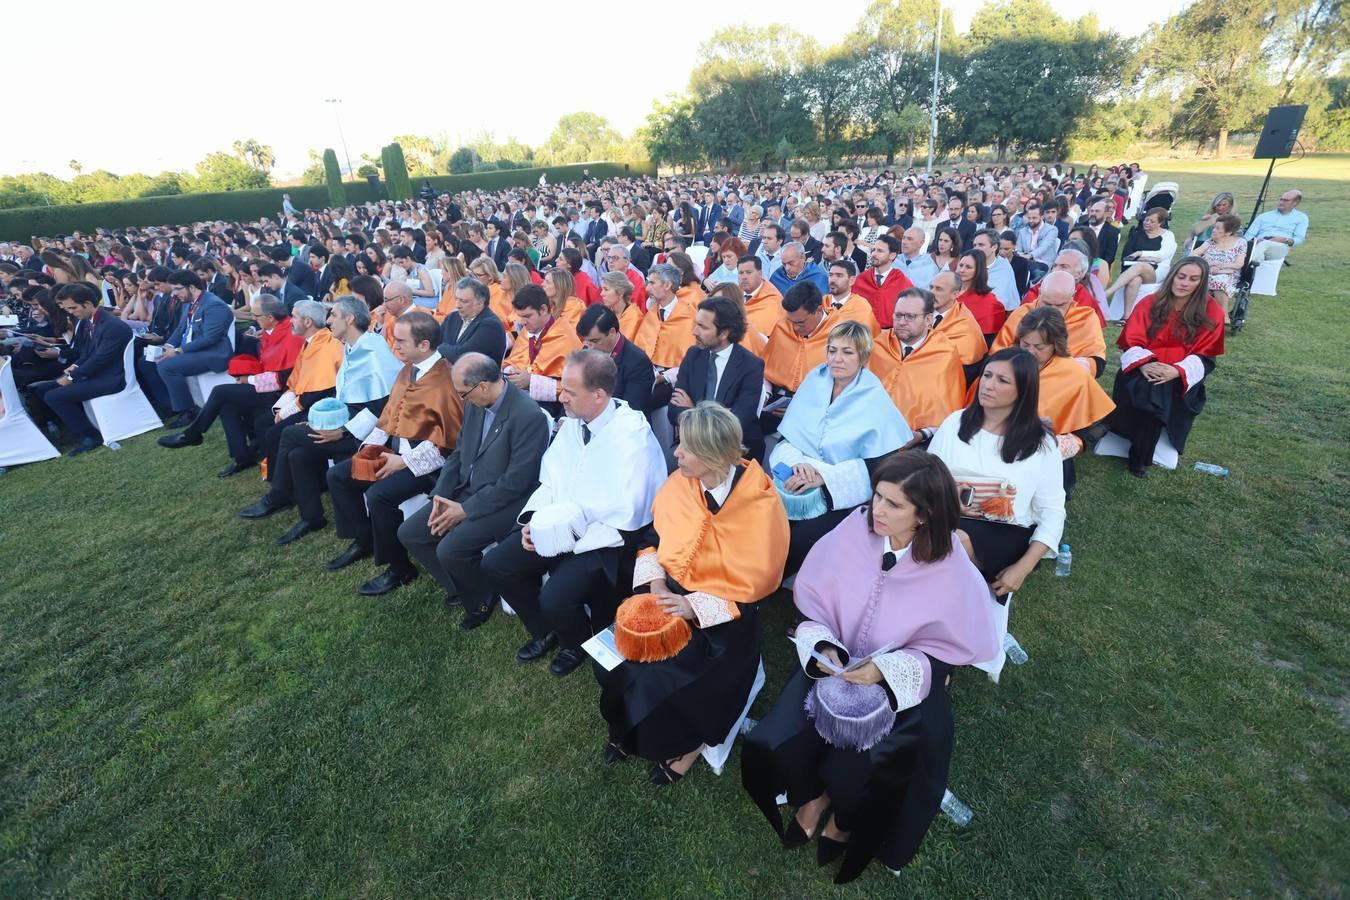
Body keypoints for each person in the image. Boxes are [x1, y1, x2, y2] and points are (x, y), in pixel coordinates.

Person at [741, 451, 998, 885]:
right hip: (835, 663)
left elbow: (945, 648)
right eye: (877, 496)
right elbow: (815, 600)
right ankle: (813, 797)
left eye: (894, 505)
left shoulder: (951, 563)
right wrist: (826, 646)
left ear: (926, 513)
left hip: (901, 679)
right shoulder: (855, 527)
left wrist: (884, 671)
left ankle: (841, 812)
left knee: (871, 764)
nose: (876, 511)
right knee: (778, 734)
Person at [602, 401, 788, 784]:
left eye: (685, 448)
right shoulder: (679, 484)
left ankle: (688, 746)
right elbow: (652, 537)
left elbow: (757, 584)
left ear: (713, 456)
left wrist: (692, 606)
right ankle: (628, 728)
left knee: (670, 678)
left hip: (723, 613)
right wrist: (655, 585)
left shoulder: (761, 505)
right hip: (665, 591)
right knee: (618, 655)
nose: (676, 453)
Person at [482, 350, 666, 677]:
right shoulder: (576, 422)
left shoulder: (632, 438)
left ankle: (576, 642)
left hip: (604, 541)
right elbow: (551, 478)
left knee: (555, 596)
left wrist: (565, 538)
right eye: (562, 388)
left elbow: (626, 515)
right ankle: (546, 629)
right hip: (557, 523)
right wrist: (535, 521)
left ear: (599, 395)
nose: (560, 397)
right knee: (497, 564)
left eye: (569, 391)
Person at [396, 353, 551, 627]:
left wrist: (465, 510)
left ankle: (481, 597)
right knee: (411, 533)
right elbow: (459, 453)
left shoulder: (528, 415)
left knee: (450, 550)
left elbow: (517, 482)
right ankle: (466, 585)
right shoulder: (475, 403)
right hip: (465, 490)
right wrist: (441, 495)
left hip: (505, 503)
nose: (460, 398)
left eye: (462, 392)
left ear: (482, 386)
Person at [239, 297, 403, 544]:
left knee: (289, 434)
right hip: (350, 423)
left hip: (368, 434)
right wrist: (325, 423)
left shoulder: (372, 350)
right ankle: (312, 516)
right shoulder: (352, 345)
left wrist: (343, 432)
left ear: (349, 319)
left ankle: (279, 494)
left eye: (333, 315)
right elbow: (347, 396)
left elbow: (382, 405)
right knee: (298, 455)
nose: (327, 321)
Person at [325, 311, 465, 596]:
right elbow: (389, 416)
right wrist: (369, 449)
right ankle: (365, 540)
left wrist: (403, 462)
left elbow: (448, 443)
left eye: (401, 341)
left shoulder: (444, 380)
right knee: (339, 474)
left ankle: (400, 569)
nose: (394, 346)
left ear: (424, 345)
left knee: (380, 496)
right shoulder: (408, 368)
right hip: (396, 451)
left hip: (430, 465)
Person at [770, 321, 910, 574]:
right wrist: (798, 465)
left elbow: (878, 468)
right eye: (832, 350)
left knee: (803, 536)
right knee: (763, 520)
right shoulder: (815, 380)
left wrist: (824, 477)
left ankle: (769, 582)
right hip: (797, 475)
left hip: (840, 494)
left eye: (847, 352)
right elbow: (788, 438)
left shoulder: (874, 396)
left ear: (863, 357)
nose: (837, 359)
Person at [928, 348, 1065, 598]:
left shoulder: (1041, 444)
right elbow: (927, 478)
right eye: (987, 375)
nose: (988, 385)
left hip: (1006, 531)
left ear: (1023, 390)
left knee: (955, 540)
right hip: (947, 516)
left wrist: (1023, 567)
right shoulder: (955, 423)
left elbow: (1053, 511)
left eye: (1002, 380)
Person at [156, 295, 305, 468]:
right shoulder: (271, 330)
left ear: (270, 317)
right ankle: (242, 457)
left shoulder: (291, 336)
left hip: (282, 392)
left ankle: (193, 433)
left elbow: (287, 377)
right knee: (226, 404)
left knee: (221, 392)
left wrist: (249, 379)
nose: (254, 319)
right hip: (266, 384)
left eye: (256, 316)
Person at [1108, 257, 1224, 478]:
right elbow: (1132, 341)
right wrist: (1145, 365)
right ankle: (1141, 456)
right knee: (1151, 388)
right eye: (1181, 277)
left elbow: (1206, 355)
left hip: (1181, 376)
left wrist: (1176, 371)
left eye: (1193, 279)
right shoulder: (1150, 303)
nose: (1185, 283)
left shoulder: (1211, 311)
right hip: (1143, 368)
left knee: (1157, 391)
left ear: (1201, 282)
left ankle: (1132, 448)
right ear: (1172, 277)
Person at [1012, 307, 1115, 493]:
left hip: (1046, 457)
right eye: (1025, 344)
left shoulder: (1074, 375)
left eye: (1039, 347)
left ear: (1056, 345)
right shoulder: (1007, 363)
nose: (1030, 352)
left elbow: (1092, 427)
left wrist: (1064, 445)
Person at [28, 283, 134, 456]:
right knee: (41, 389)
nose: (69, 312)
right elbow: (86, 353)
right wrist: (75, 367)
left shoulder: (111, 326)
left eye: (73, 307)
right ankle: (76, 428)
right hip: (98, 373)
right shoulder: (88, 322)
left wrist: (72, 377)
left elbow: (101, 360)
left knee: (54, 396)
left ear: (88, 304)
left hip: (111, 378)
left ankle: (91, 436)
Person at [670, 296, 766, 460]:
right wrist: (719, 415)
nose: (694, 331)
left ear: (724, 333)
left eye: (702, 327)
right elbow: (673, 411)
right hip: (692, 445)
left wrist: (693, 409)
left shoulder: (751, 365)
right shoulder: (693, 355)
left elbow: (738, 423)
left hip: (733, 450)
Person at [868, 288, 966, 441]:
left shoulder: (944, 353)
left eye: (910, 317)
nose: (901, 322)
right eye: (898, 315)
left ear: (928, 320)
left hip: (917, 443)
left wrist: (922, 435)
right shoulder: (878, 345)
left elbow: (947, 409)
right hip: (869, 432)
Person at [150, 270, 234, 427]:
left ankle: (187, 410)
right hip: (194, 350)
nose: (174, 294)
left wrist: (177, 351)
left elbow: (210, 338)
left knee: (166, 366)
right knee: (148, 361)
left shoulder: (213, 304)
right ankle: (170, 405)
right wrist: (167, 346)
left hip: (213, 353)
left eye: (177, 289)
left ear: (192, 287)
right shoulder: (189, 303)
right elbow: (181, 328)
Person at [994, 271, 1107, 375]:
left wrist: (1084, 365)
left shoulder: (1086, 318)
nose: (1053, 310)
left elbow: (1097, 361)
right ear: (1039, 293)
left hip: (1065, 380)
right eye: (1047, 304)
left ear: (1073, 296)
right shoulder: (1022, 313)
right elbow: (998, 352)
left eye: (1060, 305)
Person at [502, 283, 583, 412]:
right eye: (520, 316)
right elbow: (513, 361)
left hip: (551, 409)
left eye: (528, 316)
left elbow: (576, 387)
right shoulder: (527, 330)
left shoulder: (566, 339)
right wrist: (512, 372)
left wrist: (531, 382)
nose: (523, 322)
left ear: (544, 309)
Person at [634, 263, 698, 399]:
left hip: (674, 380)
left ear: (667, 285)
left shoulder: (689, 316)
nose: (647, 288)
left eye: (652, 283)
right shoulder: (652, 313)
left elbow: (692, 361)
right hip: (647, 372)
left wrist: (665, 377)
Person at [762, 281, 833, 403]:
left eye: (800, 323)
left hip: (818, 405)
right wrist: (766, 394)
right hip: (776, 401)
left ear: (819, 310)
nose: (795, 328)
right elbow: (766, 370)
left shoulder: (839, 335)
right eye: (790, 321)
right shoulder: (782, 327)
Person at [577, 304, 655, 412]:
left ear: (612, 332)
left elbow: (632, 411)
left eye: (595, 341)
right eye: (586, 341)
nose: (589, 347)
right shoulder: (588, 348)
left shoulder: (637, 362)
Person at [1106, 208, 1177, 317]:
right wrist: (1149, 257)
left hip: (1157, 271)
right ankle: (1126, 316)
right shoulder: (1136, 234)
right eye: (1146, 220)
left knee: (1142, 265)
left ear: (1160, 223)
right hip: (1134, 269)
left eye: (1152, 222)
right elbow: (1127, 255)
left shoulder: (1168, 235)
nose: (1147, 223)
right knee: (1135, 280)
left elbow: (1164, 254)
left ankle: (1108, 292)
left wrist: (1141, 253)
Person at [437, 276, 506, 365]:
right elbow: (434, 344)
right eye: (456, 299)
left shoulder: (491, 326)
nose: (457, 305)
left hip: (477, 377)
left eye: (464, 301)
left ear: (480, 302)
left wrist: (440, 348)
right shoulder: (452, 317)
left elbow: (462, 356)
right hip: (445, 373)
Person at [927, 271, 988, 372]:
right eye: (931, 287)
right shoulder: (918, 311)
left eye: (939, 289)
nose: (931, 293)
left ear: (955, 294)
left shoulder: (965, 325)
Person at [851, 234, 913, 330]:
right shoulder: (860, 280)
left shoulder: (903, 283)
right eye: (873, 250)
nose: (874, 254)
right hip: (861, 333)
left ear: (892, 255)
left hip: (891, 335)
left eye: (880, 251)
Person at [1195, 215, 1248, 317]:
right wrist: (1209, 265)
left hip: (1228, 274)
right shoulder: (1209, 242)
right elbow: (1194, 254)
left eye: (1218, 228)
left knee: (1219, 280)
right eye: (1214, 227)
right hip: (1207, 271)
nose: (1213, 230)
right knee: (1202, 279)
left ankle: (1223, 315)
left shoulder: (1240, 243)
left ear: (1228, 232)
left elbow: (1239, 264)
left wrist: (1220, 267)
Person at [1243, 189, 1307, 264]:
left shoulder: (1301, 218)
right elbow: (1248, 236)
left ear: (1295, 203)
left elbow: (1299, 238)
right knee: (1260, 255)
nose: (1281, 202)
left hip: (1280, 246)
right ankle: (1254, 269)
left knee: (1264, 244)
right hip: (1259, 244)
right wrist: (1254, 241)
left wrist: (1284, 240)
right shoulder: (1264, 216)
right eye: (1281, 199)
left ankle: (1243, 267)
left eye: (1285, 200)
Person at [954, 250, 1005, 341]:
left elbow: (986, 341)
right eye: (961, 265)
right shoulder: (947, 291)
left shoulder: (990, 303)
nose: (961, 270)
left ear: (978, 271)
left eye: (968, 267)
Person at [822, 260, 880, 336]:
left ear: (851, 280)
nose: (833, 280)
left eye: (839, 275)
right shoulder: (820, 304)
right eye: (830, 275)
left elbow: (867, 339)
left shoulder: (861, 307)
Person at [738, 255, 784, 345]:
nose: (744, 277)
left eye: (748, 272)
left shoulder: (773, 301)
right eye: (741, 273)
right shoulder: (733, 294)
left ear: (760, 274)